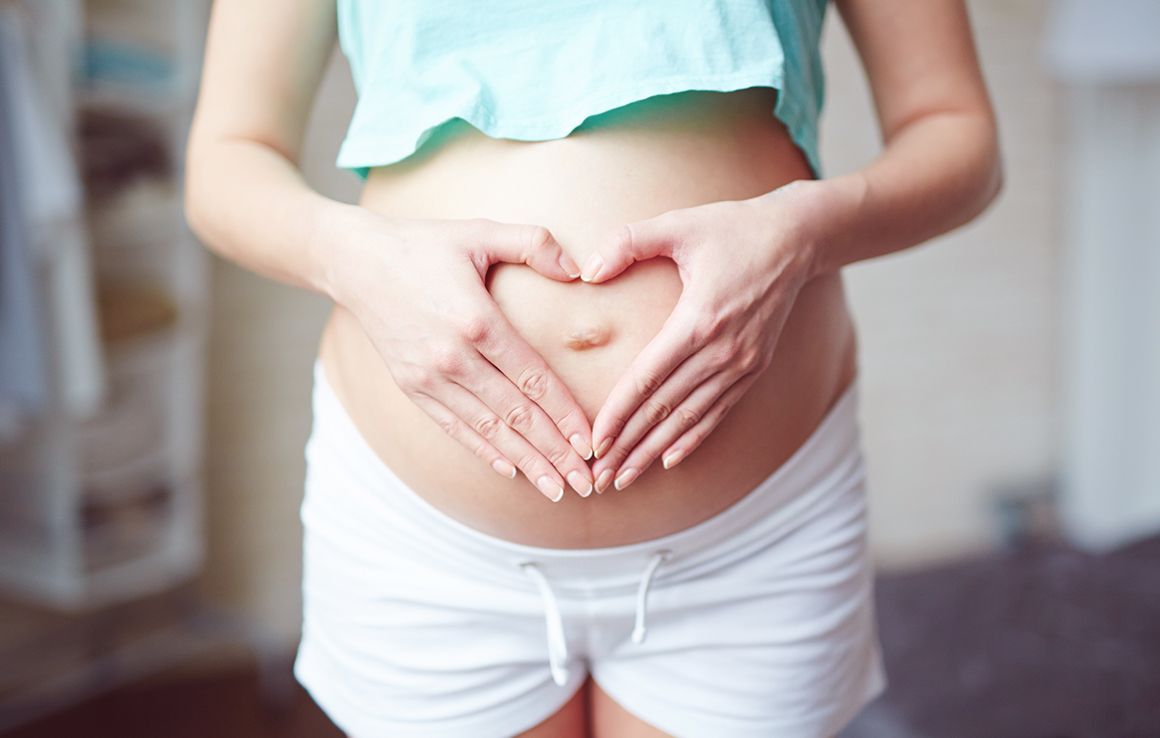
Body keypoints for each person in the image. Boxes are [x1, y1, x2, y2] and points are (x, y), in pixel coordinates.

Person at [185, 1, 1001, 736]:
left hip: (752, 542)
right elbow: (226, 159)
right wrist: (352, 258)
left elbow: (957, 133)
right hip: (428, 545)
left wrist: (804, 232)